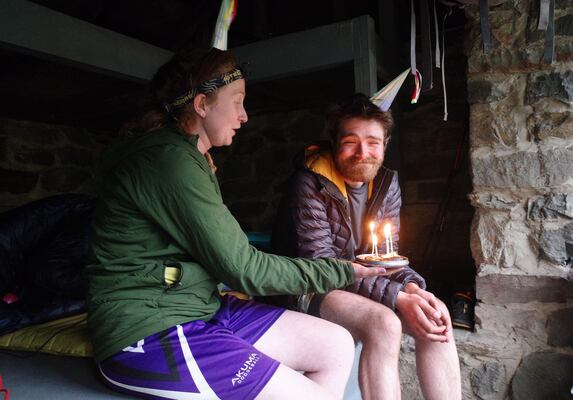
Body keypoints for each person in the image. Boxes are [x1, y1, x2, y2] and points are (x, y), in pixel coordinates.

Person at [86, 48, 388, 400]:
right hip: (149, 329)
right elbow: (245, 269)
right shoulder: (169, 161)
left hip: (201, 307)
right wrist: (344, 271)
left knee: (335, 344)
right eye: (238, 101)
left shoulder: (191, 157)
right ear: (202, 105)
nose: (245, 116)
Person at [269, 94, 462, 400]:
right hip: (306, 288)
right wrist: (396, 297)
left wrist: (413, 289)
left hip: (358, 284)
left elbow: (385, 256)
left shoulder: (386, 183)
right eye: (351, 141)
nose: (363, 152)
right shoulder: (308, 184)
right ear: (335, 143)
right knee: (383, 323)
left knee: (436, 313)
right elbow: (323, 268)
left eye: (373, 142)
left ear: (385, 145)